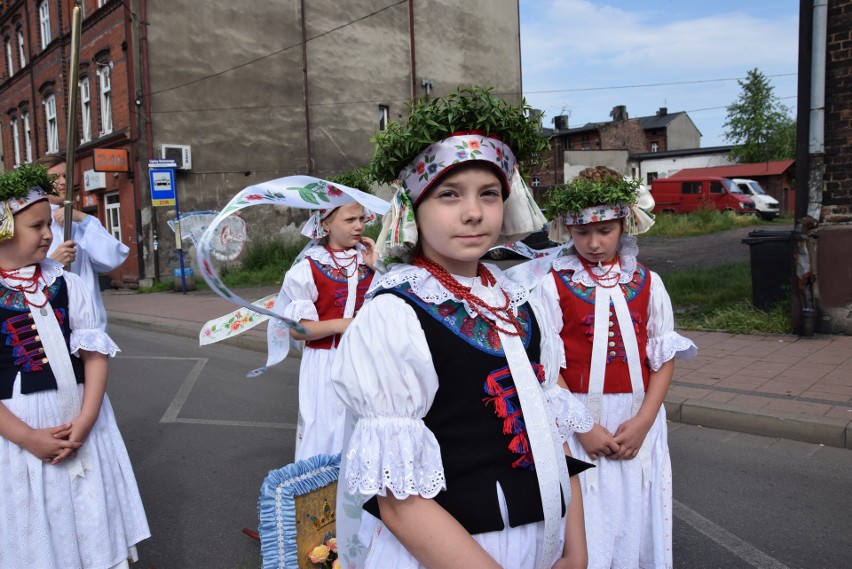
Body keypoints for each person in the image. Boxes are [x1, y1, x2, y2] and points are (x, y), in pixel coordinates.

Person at [330, 87, 594, 569]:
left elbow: (549, 429)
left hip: (543, 542)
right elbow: (398, 500)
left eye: (488, 194)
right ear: (412, 208)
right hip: (452, 553)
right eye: (449, 194)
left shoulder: (521, 299)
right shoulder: (395, 316)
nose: (473, 212)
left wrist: (575, 552)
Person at [535, 166, 697, 569]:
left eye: (604, 230)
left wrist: (645, 420)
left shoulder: (648, 282)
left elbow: (662, 359)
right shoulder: (552, 284)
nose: (593, 242)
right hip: (576, 419)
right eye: (581, 232)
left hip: (637, 416)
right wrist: (584, 428)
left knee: (637, 509)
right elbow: (547, 364)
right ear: (566, 230)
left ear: (625, 223)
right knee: (587, 515)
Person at [0, 164, 149, 569]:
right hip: (20, 429)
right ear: (2, 229)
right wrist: (28, 437)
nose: (49, 234)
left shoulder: (67, 283)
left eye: (49, 223)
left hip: (84, 418)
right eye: (36, 226)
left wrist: (87, 420)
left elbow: (94, 356)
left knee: (89, 512)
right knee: (40, 520)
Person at [280, 200, 378, 460]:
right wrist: (342, 325)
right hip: (326, 362)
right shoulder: (308, 268)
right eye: (349, 220)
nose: (359, 226)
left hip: (367, 360)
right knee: (326, 430)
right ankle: (323, 497)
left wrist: (378, 267)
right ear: (326, 225)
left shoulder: (371, 260)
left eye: (361, 219)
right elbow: (297, 329)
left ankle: (359, 498)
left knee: (365, 431)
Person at [37, 155, 130, 331]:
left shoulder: (80, 225)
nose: (63, 181)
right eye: (54, 177)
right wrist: (53, 264)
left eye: (65, 175)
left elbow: (112, 257)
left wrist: (84, 218)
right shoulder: (27, 226)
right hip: (50, 324)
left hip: (87, 325)